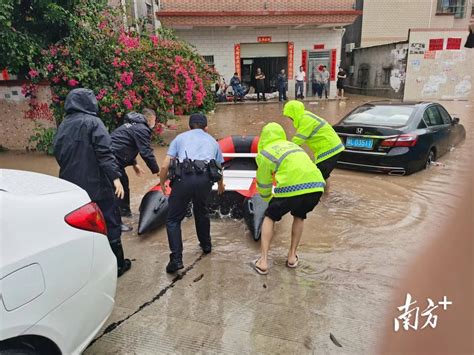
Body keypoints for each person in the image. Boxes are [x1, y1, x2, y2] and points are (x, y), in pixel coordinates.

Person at [53, 88, 131, 277]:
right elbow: (105, 152)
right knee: (110, 222)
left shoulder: (64, 125)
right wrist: (116, 178)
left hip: (71, 187)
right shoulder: (93, 122)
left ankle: (86, 265)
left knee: (81, 224)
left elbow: (58, 152)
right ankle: (118, 265)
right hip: (97, 186)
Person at [254, 122, 325, 275]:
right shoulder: (294, 146)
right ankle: (292, 257)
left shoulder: (265, 153)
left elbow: (264, 182)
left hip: (292, 188)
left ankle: (263, 261)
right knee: (299, 216)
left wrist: (267, 199)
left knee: (270, 216)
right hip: (317, 186)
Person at [159, 113, 225, 274]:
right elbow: (218, 167)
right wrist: (220, 185)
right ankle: (206, 245)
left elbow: (164, 166)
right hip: (204, 181)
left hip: (183, 181)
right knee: (201, 211)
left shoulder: (179, 138)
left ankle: (176, 259)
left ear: (189, 126)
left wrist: (162, 183)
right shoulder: (213, 141)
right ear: (206, 127)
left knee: (173, 219)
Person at [111, 109, 160, 228]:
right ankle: (117, 223)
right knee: (117, 189)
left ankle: (125, 213)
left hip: (113, 159)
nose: (155, 123)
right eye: (154, 120)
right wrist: (157, 171)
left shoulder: (133, 126)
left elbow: (126, 145)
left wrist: (134, 163)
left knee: (124, 183)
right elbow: (146, 152)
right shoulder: (142, 129)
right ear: (150, 119)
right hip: (110, 160)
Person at [283, 100, 344, 180]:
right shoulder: (306, 116)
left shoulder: (305, 120)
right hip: (330, 148)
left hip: (329, 149)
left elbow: (298, 140)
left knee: (315, 178)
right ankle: (326, 191)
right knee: (321, 175)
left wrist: (285, 151)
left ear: (294, 113)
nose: (290, 119)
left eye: (290, 116)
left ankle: (322, 191)